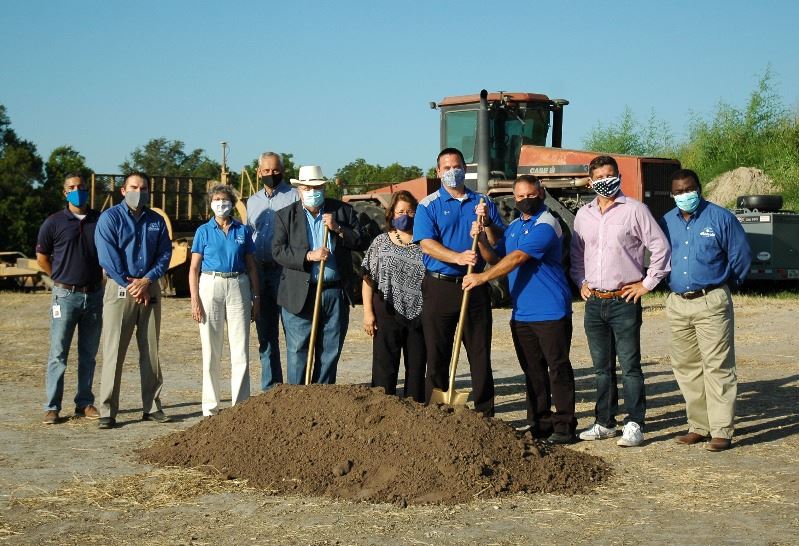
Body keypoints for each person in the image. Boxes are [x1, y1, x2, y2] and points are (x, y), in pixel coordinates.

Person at [463, 175, 576, 442]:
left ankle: (564, 427)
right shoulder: (515, 226)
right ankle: (539, 423)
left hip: (550, 312)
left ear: (541, 193)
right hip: (522, 313)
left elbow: (517, 258)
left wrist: (481, 278)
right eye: (520, 197)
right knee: (532, 372)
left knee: (557, 369)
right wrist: (479, 238)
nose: (525, 200)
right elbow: (496, 256)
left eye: (530, 195)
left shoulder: (547, 224)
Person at [570, 155, 671, 447]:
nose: (605, 181)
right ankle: (604, 421)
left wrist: (647, 283)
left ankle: (634, 423)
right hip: (594, 301)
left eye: (610, 175)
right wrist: (581, 282)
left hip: (623, 299)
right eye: (599, 177)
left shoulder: (635, 210)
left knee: (630, 366)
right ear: (590, 181)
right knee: (601, 368)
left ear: (619, 176)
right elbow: (577, 253)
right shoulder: (584, 215)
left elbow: (660, 248)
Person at [660, 169, 751, 452]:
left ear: (699, 189)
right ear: (672, 194)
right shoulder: (666, 222)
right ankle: (699, 426)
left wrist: (723, 287)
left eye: (689, 189)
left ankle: (721, 429)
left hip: (711, 299)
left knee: (718, 366)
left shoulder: (721, 218)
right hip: (678, 303)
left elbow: (741, 257)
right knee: (686, 367)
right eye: (678, 191)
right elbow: (658, 255)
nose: (684, 195)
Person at [413, 147, 505, 416]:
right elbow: (427, 245)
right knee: (437, 352)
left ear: (465, 168)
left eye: (457, 166)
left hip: (474, 284)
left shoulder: (483, 203)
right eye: (447, 167)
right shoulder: (428, 205)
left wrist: (486, 224)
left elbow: (497, 244)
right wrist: (457, 257)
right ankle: (438, 411)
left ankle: (485, 411)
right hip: (440, 286)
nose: (452, 171)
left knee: (479, 352)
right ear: (438, 172)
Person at [272, 165, 369, 384]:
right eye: (307, 188)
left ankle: (323, 398)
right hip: (299, 293)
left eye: (317, 187)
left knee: (330, 351)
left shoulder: (342, 212)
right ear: (299, 190)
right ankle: (297, 401)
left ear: (324, 188)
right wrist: (308, 256)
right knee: (298, 351)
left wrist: (338, 229)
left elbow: (362, 240)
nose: (312, 192)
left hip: (334, 292)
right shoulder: (285, 216)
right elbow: (278, 251)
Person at [94, 172, 172, 429]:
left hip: (149, 289)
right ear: (123, 190)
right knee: (114, 350)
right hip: (120, 289)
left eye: (144, 187)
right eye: (134, 187)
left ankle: (151, 407)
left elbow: (164, 254)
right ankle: (107, 410)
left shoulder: (156, 220)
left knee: (150, 350)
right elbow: (107, 256)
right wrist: (132, 285)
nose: (139, 191)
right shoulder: (110, 218)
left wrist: (147, 281)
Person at [36, 173, 104, 424]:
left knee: (89, 353)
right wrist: (59, 277)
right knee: (58, 352)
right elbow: (42, 257)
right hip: (64, 296)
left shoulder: (100, 220)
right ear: (65, 193)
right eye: (72, 187)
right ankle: (53, 406)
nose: (78, 190)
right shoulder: (53, 223)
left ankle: (85, 403)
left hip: (94, 295)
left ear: (88, 190)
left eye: (81, 187)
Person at [190, 184, 260, 416]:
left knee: (240, 348)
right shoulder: (203, 231)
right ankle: (211, 407)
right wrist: (194, 300)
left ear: (232, 203)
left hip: (238, 284)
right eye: (217, 199)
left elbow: (251, 266)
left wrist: (255, 296)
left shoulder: (242, 230)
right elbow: (194, 268)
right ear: (211, 203)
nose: (221, 203)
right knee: (211, 348)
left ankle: (239, 406)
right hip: (210, 284)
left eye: (225, 199)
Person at [361, 190, 426, 402]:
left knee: (416, 367)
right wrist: (368, 313)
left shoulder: (426, 243)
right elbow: (368, 279)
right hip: (387, 312)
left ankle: (414, 412)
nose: (405, 215)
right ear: (391, 214)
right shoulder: (381, 242)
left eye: (410, 211)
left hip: (418, 315)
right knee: (384, 367)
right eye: (400, 211)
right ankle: (383, 410)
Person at [246, 152, 299, 391]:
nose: (271, 175)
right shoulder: (252, 201)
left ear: (283, 171)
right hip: (260, 273)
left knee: (293, 332)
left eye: (275, 170)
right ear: (259, 172)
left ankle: (294, 387)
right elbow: (249, 236)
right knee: (266, 335)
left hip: (286, 273)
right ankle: (271, 388)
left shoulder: (294, 196)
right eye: (266, 171)